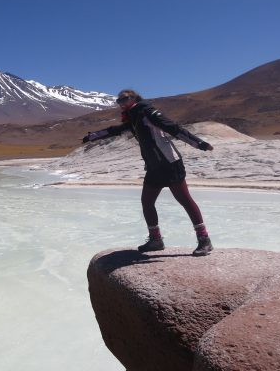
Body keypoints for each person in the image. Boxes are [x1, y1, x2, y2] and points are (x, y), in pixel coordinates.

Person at [82, 89, 214, 256]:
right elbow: (116, 130)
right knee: (147, 202)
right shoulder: (133, 116)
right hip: (154, 167)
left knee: (185, 200)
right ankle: (155, 240)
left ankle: (204, 240)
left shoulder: (147, 112)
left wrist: (199, 144)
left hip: (170, 163)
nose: (122, 103)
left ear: (134, 98)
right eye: (119, 101)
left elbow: (173, 127)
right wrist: (93, 135)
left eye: (125, 99)